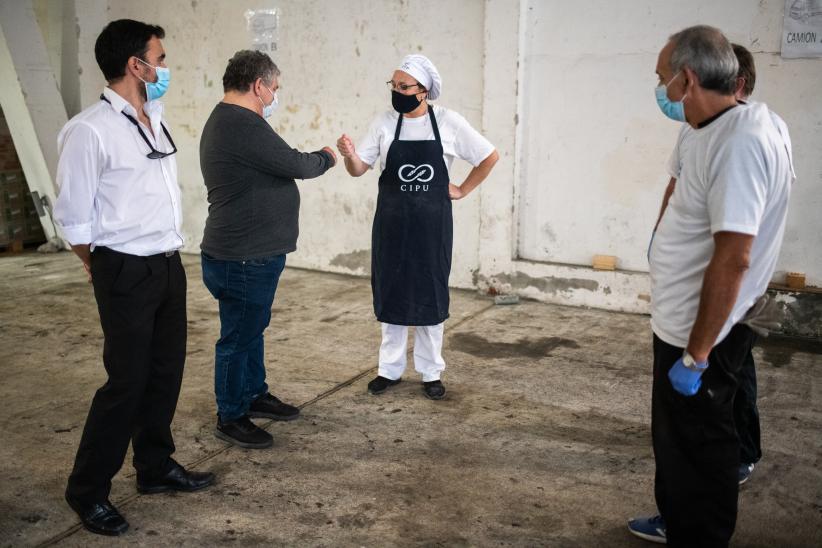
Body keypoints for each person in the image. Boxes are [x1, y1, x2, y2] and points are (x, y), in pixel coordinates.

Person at [628, 26, 793, 547]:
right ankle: (679, 521)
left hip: (702, 336)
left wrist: (698, 355)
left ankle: (698, 534)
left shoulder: (741, 141)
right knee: (679, 446)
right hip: (681, 324)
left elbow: (735, 256)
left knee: (702, 448)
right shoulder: (711, 128)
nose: (660, 89)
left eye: (662, 79)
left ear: (688, 78)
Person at [54, 19, 214, 537]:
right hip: (124, 267)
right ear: (135, 65)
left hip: (167, 263)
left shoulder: (155, 116)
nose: (165, 68)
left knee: (165, 372)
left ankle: (155, 467)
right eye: (160, 59)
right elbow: (74, 217)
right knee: (126, 382)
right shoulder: (89, 130)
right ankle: (87, 490)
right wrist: (99, 264)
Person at [336, 54, 499, 400]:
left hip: (431, 229)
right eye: (393, 86)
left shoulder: (448, 122)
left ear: (423, 91)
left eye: (404, 86)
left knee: (429, 296)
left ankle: (431, 372)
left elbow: (489, 156)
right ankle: (389, 370)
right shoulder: (383, 122)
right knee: (392, 294)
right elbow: (358, 169)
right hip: (392, 227)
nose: (397, 92)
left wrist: (462, 189)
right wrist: (350, 155)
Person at [200, 50, 337, 449]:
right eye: (274, 88)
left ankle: (253, 394)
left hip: (248, 252)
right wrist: (327, 156)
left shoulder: (232, 121)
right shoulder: (241, 123)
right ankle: (231, 415)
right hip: (242, 256)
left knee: (250, 329)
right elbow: (297, 164)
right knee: (238, 337)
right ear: (258, 85)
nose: (275, 95)